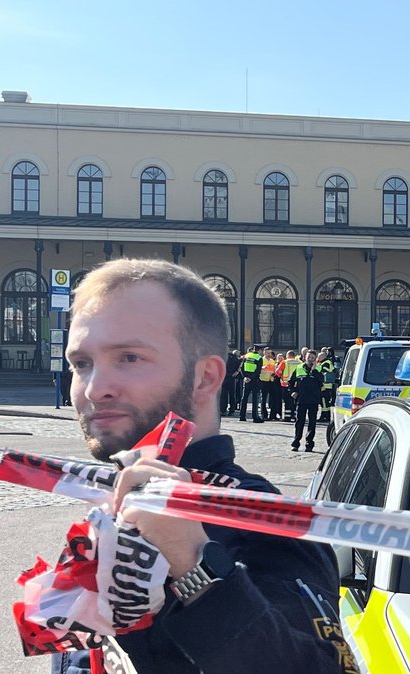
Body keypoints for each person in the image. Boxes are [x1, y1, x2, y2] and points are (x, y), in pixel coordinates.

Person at [58, 258, 348, 673]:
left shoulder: (267, 525)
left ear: (206, 378)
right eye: (82, 364)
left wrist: (195, 564)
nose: (94, 388)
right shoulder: (110, 509)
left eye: (129, 358)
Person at [289, 350, 324, 452]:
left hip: (313, 400)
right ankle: (296, 443)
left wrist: (314, 370)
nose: (310, 359)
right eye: (309, 357)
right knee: (299, 422)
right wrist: (293, 392)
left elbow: (321, 381)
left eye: (313, 358)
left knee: (312, 423)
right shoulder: (299, 368)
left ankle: (309, 444)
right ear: (305, 357)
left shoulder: (318, 368)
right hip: (301, 399)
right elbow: (290, 382)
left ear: (315, 359)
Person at [238, 345, 264, 422]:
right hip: (254, 380)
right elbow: (258, 370)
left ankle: (242, 416)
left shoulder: (247, 356)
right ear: (260, 350)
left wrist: (245, 377)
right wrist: (251, 377)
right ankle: (255, 417)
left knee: (244, 398)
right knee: (255, 399)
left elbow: (242, 368)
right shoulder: (259, 358)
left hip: (246, 380)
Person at [281, 350, 302, 423]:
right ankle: (295, 416)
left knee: (287, 402)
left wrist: (280, 377)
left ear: (288, 355)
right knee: (295, 401)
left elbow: (278, 372)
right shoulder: (300, 362)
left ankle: (287, 417)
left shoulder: (284, 362)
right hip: (297, 385)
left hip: (286, 384)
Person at [221, 349, 241, 416]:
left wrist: (237, 371)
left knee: (232, 394)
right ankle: (223, 410)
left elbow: (240, 364)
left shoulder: (232, 357)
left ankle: (231, 410)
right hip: (224, 377)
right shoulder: (221, 356)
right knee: (224, 395)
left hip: (231, 377)